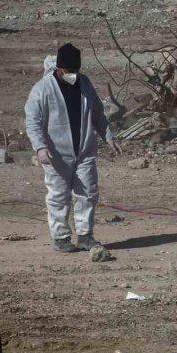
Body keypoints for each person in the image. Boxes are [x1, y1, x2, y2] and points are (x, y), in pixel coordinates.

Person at [25, 43, 122, 252]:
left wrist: (108, 136)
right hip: (56, 154)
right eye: (69, 71)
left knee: (87, 193)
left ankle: (85, 236)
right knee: (59, 196)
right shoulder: (42, 89)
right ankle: (61, 237)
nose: (72, 75)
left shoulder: (84, 84)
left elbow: (97, 114)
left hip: (84, 151)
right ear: (59, 68)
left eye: (75, 71)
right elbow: (33, 121)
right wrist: (40, 147)